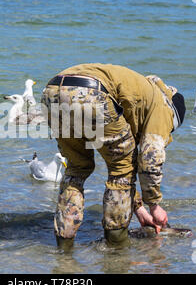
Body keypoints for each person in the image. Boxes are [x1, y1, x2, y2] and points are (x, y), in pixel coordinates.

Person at [41, 63, 186, 248]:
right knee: (121, 171)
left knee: (76, 170)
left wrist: (139, 209)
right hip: (91, 93)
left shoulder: (142, 93)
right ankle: (116, 247)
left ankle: (64, 248)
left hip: (52, 91)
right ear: (174, 116)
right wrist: (154, 205)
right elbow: (151, 159)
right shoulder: (163, 107)